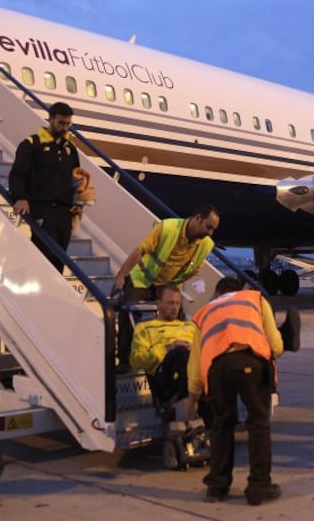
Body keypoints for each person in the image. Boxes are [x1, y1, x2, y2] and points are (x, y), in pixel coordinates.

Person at [187, 276, 292, 506]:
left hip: (218, 370)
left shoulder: (205, 312)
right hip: (249, 362)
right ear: (238, 289)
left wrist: (193, 397)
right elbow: (275, 344)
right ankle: (258, 489)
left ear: (217, 294)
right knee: (258, 425)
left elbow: (195, 364)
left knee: (221, 425)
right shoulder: (254, 298)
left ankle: (216, 488)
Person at [113, 204, 220, 374]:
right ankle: (125, 360)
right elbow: (140, 251)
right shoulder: (168, 228)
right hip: (143, 278)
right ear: (197, 218)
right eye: (208, 227)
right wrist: (120, 276)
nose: (210, 233)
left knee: (176, 318)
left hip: (167, 284)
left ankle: (170, 359)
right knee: (129, 313)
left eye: (213, 229)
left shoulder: (206, 244)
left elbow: (195, 269)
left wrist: (174, 285)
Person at [9, 102, 80, 273]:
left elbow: (75, 178)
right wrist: (21, 197)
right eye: (61, 123)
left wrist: (78, 204)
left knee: (59, 261)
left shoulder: (70, 149)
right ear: (51, 119)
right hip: (42, 210)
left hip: (64, 214)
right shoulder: (32, 144)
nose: (64, 128)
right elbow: (17, 174)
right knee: (43, 259)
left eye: (67, 124)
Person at [129, 283, 200, 424]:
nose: (174, 308)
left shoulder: (190, 326)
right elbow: (135, 362)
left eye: (177, 303)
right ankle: (188, 406)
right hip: (165, 376)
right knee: (181, 352)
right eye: (170, 303)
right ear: (158, 304)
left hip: (192, 371)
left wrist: (195, 348)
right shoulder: (145, 328)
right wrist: (168, 348)